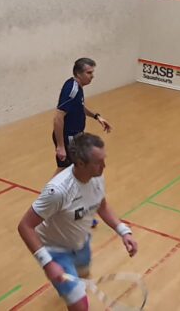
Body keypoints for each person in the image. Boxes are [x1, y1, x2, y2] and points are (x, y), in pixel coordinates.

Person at [17, 133, 138, 311]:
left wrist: (123, 231)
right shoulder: (58, 191)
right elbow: (25, 226)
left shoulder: (97, 176)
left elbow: (102, 206)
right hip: (55, 250)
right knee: (80, 306)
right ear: (80, 163)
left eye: (104, 160)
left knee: (83, 275)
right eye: (98, 162)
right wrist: (48, 263)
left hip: (81, 243)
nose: (104, 166)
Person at [53, 58, 112, 173]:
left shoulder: (77, 86)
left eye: (92, 72)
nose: (92, 76)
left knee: (69, 169)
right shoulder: (72, 90)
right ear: (78, 73)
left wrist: (96, 116)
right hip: (68, 138)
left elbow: (80, 106)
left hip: (75, 137)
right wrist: (61, 146)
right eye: (89, 73)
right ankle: (51, 187)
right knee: (67, 170)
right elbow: (58, 118)